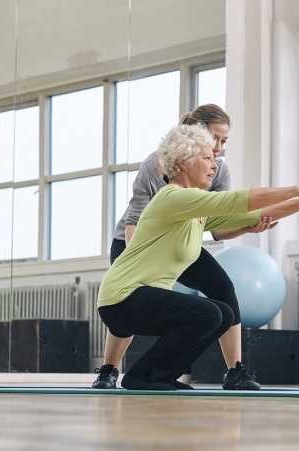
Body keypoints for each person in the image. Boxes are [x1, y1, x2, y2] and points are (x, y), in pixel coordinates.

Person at [97, 123, 299, 391]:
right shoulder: (174, 198)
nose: (214, 165)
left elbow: (254, 214)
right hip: (122, 299)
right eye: (207, 158)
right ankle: (143, 375)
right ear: (183, 162)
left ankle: (161, 375)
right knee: (208, 313)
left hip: (141, 301)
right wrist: (297, 189)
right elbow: (240, 200)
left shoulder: (194, 209)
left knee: (224, 314)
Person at [94, 104, 276, 390]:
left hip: (180, 241)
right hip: (134, 239)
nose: (218, 148)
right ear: (195, 133)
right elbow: (134, 220)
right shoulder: (155, 164)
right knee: (131, 299)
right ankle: (108, 370)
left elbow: (217, 225)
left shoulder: (218, 170)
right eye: (214, 138)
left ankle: (235, 371)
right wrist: (141, 265)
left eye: (224, 141)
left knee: (223, 289)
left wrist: (246, 226)